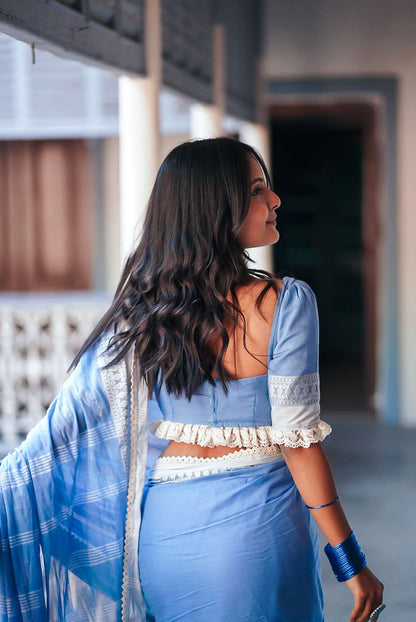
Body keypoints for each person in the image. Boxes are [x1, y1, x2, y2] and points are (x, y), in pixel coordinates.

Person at [0, 137, 384, 622]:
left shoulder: (143, 310)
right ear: (213, 208)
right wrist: (351, 562)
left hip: (164, 537)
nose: (275, 200)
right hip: (256, 533)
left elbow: (58, 437)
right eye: (257, 190)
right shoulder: (284, 303)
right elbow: (299, 442)